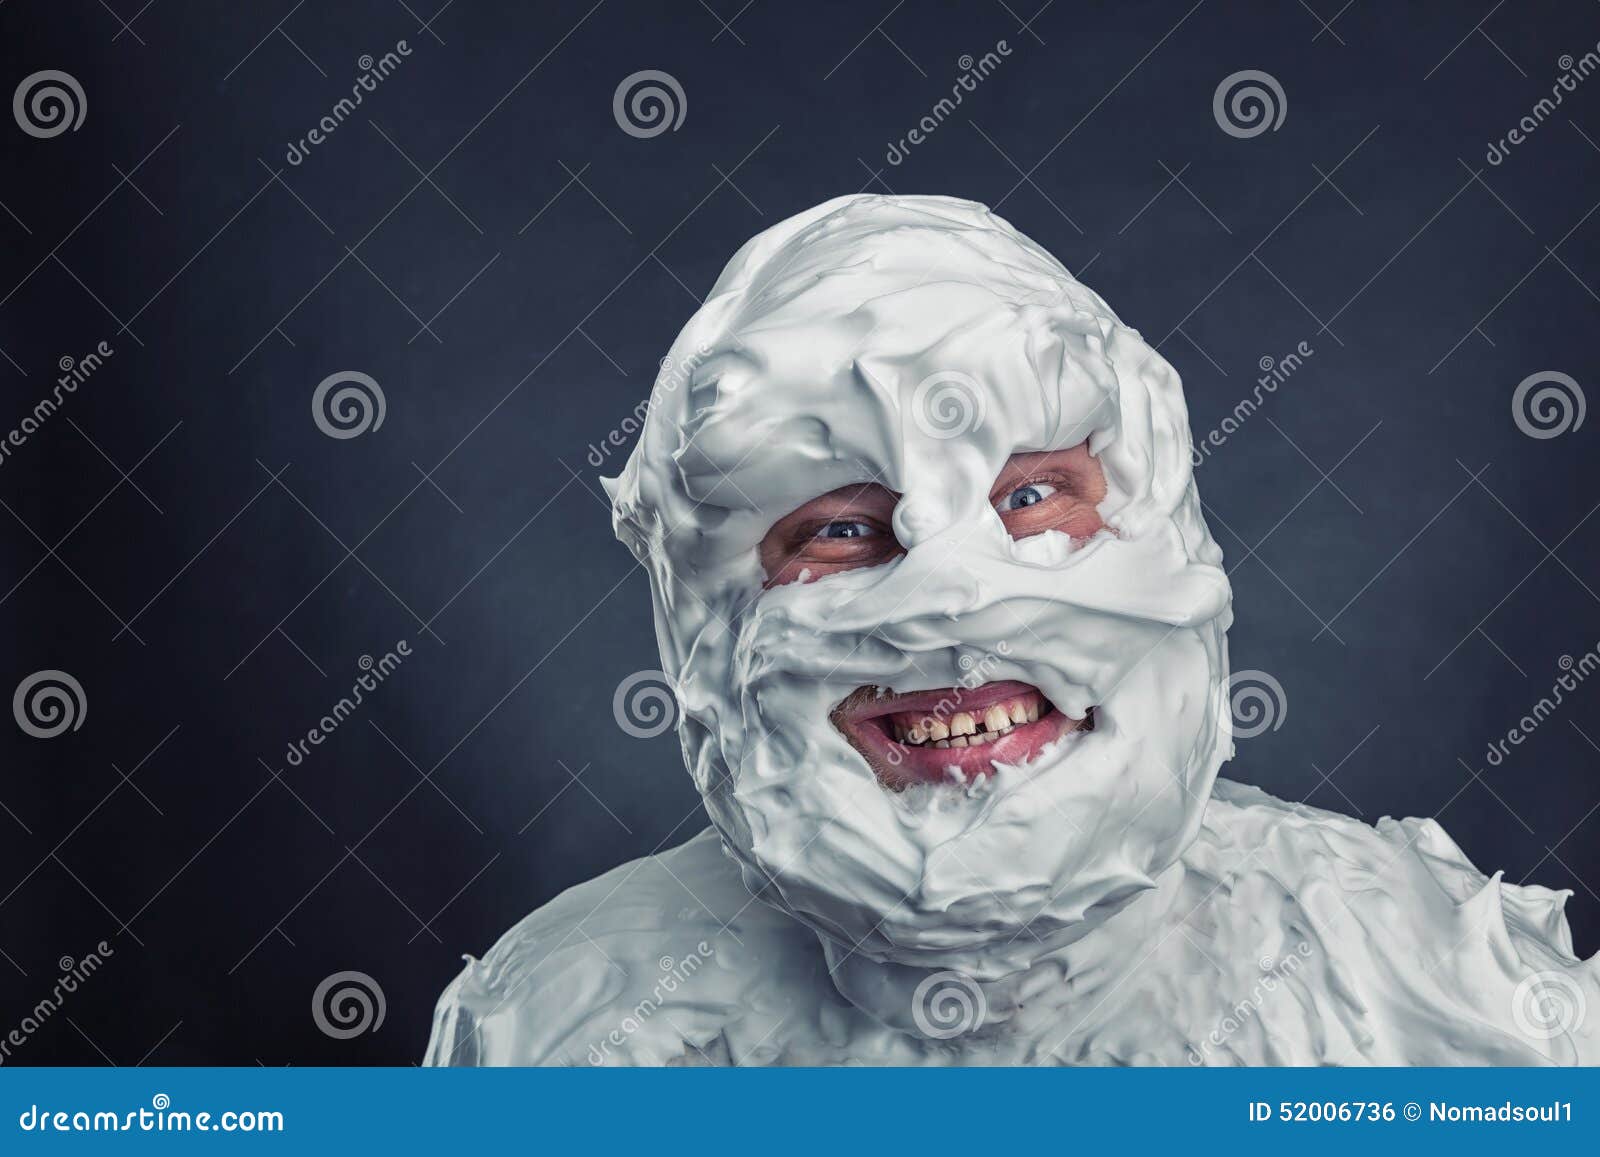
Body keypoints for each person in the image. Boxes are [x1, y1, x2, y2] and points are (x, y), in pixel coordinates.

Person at [425, 195, 1597, 1066]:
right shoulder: (559, 1030)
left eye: (1031, 498)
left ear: (1156, 522)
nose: (955, 598)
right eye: (841, 528)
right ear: (706, 619)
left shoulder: (1435, 997)